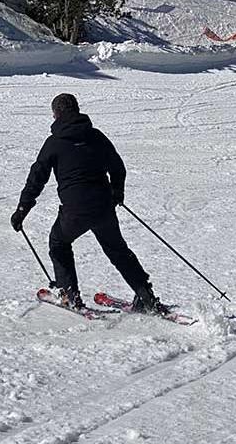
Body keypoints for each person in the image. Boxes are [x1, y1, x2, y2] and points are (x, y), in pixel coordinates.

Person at [10, 93, 168, 315]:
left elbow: (36, 179)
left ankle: (69, 296)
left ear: (56, 114)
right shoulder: (96, 136)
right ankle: (147, 297)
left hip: (75, 211)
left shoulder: (54, 143)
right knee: (117, 250)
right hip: (104, 206)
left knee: (58, 243)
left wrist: (21, 210)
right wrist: (117, 192)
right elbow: (117, 166)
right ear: (76, 109)